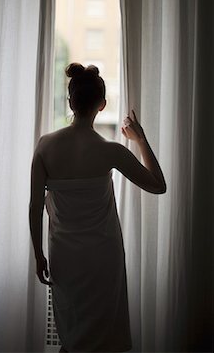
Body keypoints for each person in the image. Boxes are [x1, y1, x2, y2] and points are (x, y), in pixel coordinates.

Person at [29, 63, 166, 352]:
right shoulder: (111, 150)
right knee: (103, 335)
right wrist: (139, 139)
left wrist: (39, 255)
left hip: (64, 255)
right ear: (102, 105)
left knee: (72, 330)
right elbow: (158, 184)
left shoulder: (45, 146)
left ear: (70, 101)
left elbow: (33, 207)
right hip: (104, 257)